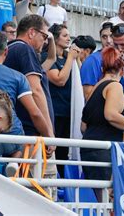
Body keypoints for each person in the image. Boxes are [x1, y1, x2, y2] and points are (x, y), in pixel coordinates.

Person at [3, 14, 57, 195]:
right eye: (44, 36)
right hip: (33, 135)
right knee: (43, 193)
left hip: (22, 131)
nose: (45, 41)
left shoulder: (10, 49)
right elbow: (35, 90)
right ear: (32, 32)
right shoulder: (25, 50)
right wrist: (49, 134)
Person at [81, 47, 124, 201]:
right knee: (110, 202)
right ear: (123, 67)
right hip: (105, 152)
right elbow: (110, 114)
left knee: (102, 202)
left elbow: (83, 126)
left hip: (90, 149)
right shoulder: (115, 86)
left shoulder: (95, 87)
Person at [45, 24, 81, 177]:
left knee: (65, 151)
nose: (69, 38)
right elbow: (59, 79)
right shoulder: (47, 58)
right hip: (55, 111)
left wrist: (75, 59)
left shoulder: (68, 58)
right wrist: (71, 58)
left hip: (69, 112)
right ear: (56, 37)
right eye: (65, 35)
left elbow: (79, 79)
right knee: (55, 150)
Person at [80, 21, 114, 100]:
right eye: (104, 37)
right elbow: (88, 95)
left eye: (111, 36)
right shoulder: (92, 61)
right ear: (100, 38)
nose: (108, 41)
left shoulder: (123, 57)